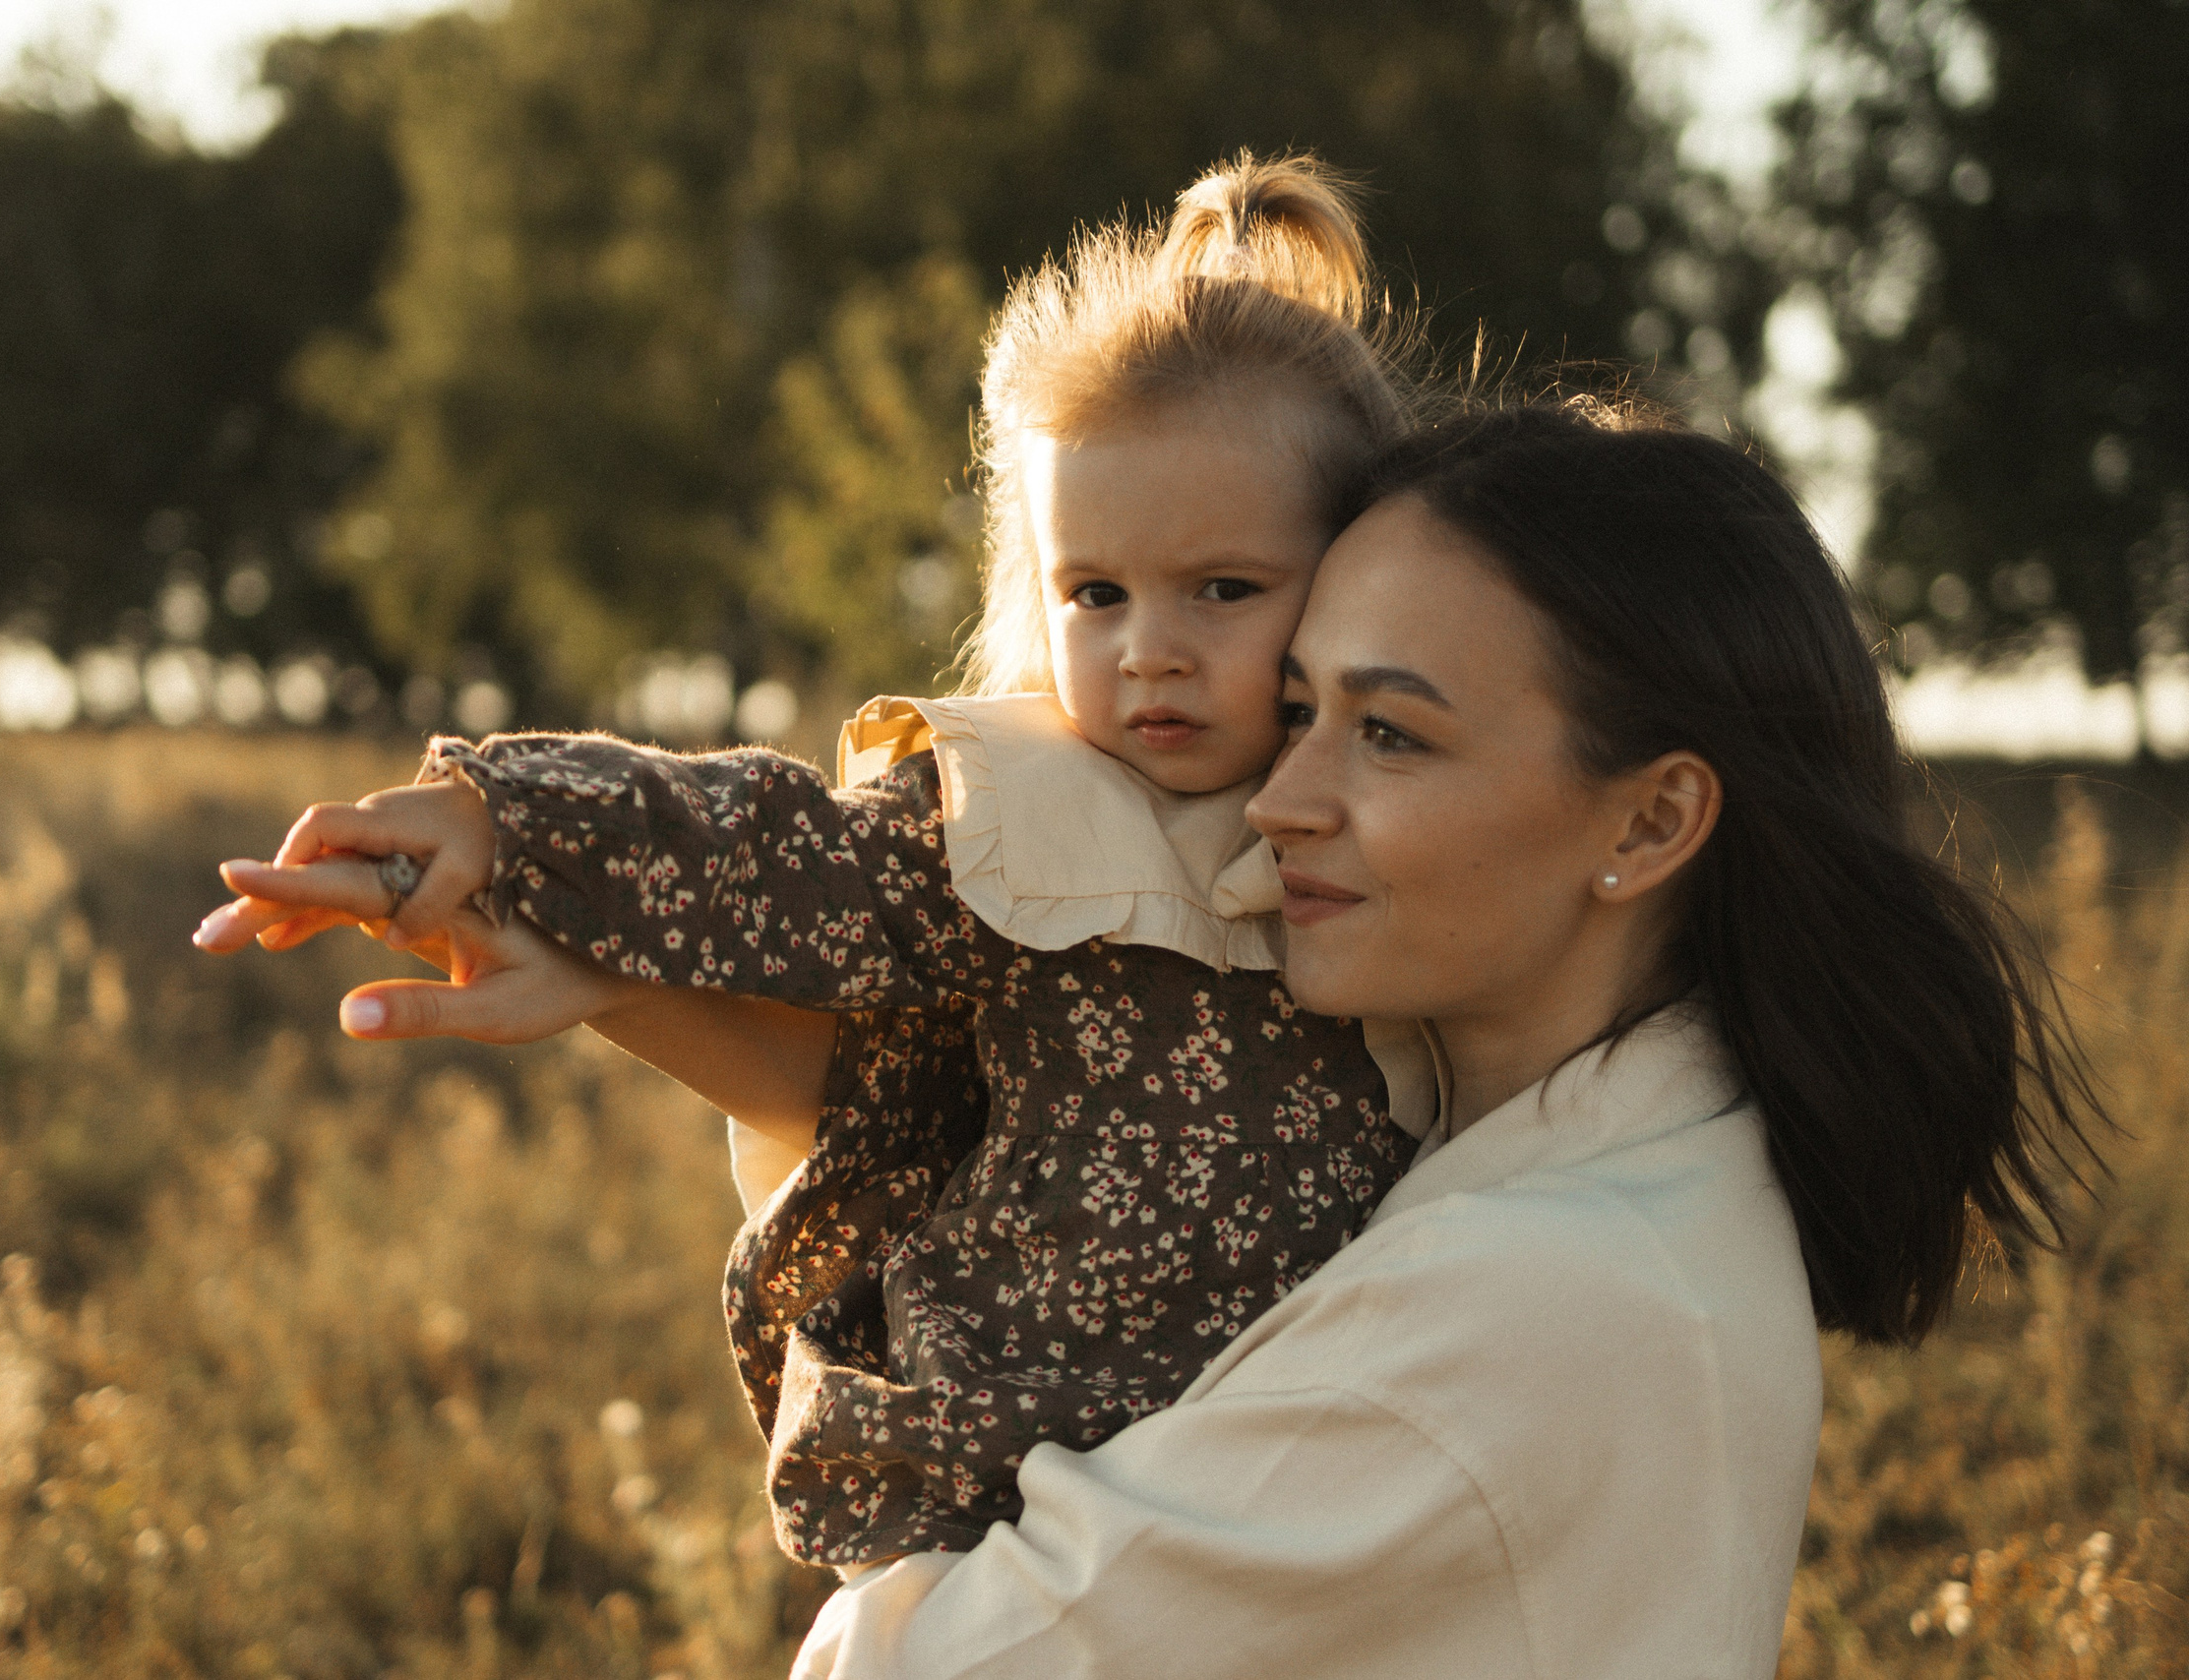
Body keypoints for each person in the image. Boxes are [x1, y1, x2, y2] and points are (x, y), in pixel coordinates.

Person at [198, 155, 1429, 1573]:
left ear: (1355, 578)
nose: (1149, 645)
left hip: (1294, 1499)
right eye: (1095, 592)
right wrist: (511, 820)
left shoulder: (1406, 833)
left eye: (1224, 588)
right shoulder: (1013, 811)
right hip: (1010, 1495)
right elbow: (778, 849)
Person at [770, 399, 2104, 1676]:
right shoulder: (1629, 1158)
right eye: (1298, 712)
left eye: (1390, 736)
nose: (1283, 801)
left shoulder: (1527, 1305)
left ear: (1647, 825)